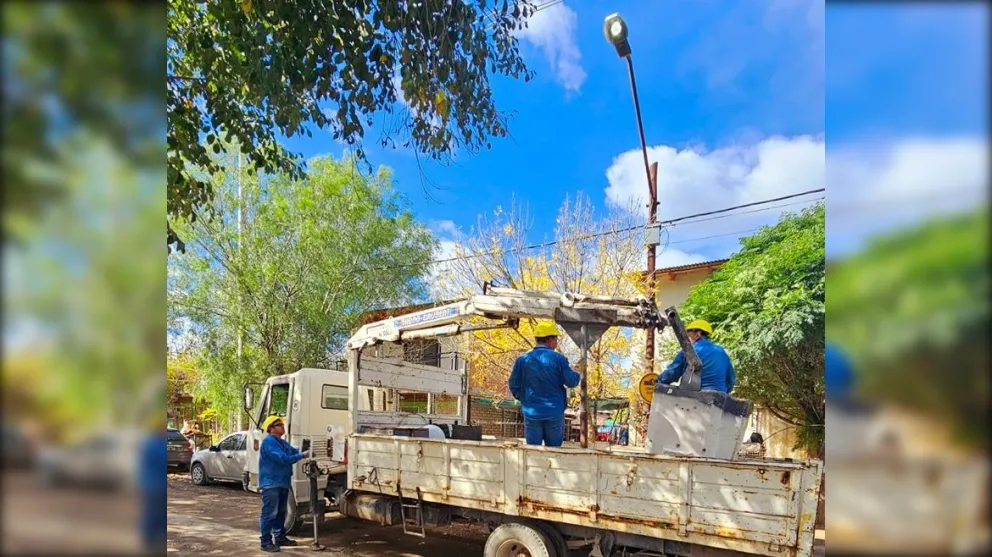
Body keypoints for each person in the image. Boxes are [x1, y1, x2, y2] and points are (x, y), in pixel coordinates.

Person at [508, 320, 582, 447]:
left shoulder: (522, 360)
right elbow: (571, 382)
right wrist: (578, 371)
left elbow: (514, 384)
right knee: (553, 452)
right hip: (554, 412)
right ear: (551, 340)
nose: (556, 342)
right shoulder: (559, 359)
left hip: (531, 412)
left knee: (533, 452)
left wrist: (525, 398)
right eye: (556, 339)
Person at [258, 415, 307, 553]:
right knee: (269, 513)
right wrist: (302, 455)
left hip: (282, 482)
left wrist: (303, 449)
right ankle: (266, 542)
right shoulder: (269, 442)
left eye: (281, 424)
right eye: (279, 424)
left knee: (281, 512)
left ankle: (280, 537)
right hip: (271, 483)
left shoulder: (281, 442)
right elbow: (283, 459)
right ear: (271, 428)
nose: (282, 426)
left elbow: (292, 450)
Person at [658, 319, 736, 393]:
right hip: (719, 398)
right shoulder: (721, 351)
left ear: (697, 334)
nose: (688, 340)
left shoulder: (690, 350)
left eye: (688, 336)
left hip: (696, 398)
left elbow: (673, 372)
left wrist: (659, 381)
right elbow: (731, 380)